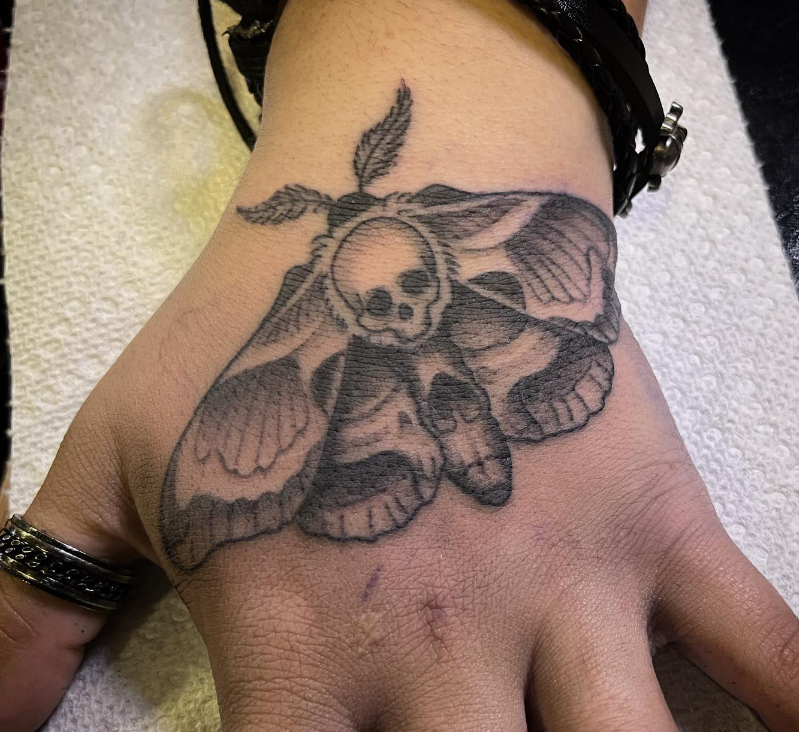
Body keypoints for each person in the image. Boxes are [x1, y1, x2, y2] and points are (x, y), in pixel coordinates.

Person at [1, 1, 797, 730]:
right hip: (504, 361)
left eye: (410, 290)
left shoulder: (308, 307)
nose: (403, 313)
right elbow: (561, 244)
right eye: (382, 303)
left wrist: (444, 63)